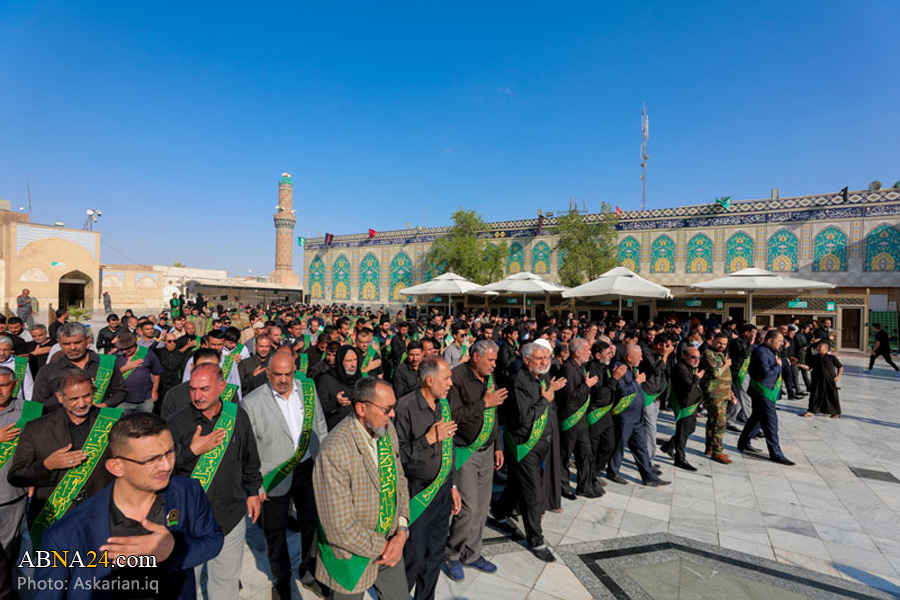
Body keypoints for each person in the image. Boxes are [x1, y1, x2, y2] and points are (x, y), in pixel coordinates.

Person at [35, 412, 224, 599]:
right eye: (151, 459)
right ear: (116, 467)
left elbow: (213, 540)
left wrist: (173, 551)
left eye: (170, 452)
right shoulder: (65, 535)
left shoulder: (188, 491)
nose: (166, 466)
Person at [168, 363, 263, 599]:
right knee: (187, 585)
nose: (197, 396)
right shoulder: (176, 423)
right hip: (190, 521)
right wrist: (191, 451)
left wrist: (253, 492)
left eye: (204, 389)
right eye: (192, 389)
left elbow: (250, 458)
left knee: (226, 583)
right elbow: (161, 469)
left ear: (222, 387)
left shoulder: (237, 415)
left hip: (230, 515)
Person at [313, 377, 410, 599]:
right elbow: (339, 528)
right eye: (387, 409)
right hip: (352, 558)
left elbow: (400, 482)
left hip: (391, 543)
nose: (393, 414)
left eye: (393, 407)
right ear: (361, 409)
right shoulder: (334, 450)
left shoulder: (386, 430)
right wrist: (385, 546)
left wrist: (401, 532)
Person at [243, 350, 329, 599]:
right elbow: (249, 452)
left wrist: (324, 466)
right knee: (275, 532)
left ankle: (309, 571)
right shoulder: (251, 403)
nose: (283, 380)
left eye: (288, 374)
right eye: (277, 374)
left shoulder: (308, 391)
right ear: (267, 373)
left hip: (307, 470)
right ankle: (281, 581)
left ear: (295, 372)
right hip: (273, 476)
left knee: (311, 524)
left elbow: (320, 427)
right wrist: (257, 486)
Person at [7, 371, 118, 539]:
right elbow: (16, 476)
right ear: (60, 397)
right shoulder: (35, 428)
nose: (82, 403)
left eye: (87, 396)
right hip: (54, 518)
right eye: (74, 399)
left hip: (101, 513)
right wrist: (47, 465)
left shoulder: (114, 422)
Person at [491, 341, 566, 563]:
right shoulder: (519, 381)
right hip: (525, 444)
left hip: (543, 442)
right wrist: (546, 398)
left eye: (546, 357)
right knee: (533, 492)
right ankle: (536, 540)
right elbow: (525, 418)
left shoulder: (542, 376)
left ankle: (500, 509)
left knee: (517, 483)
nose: (544, 362)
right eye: (539, 358)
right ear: (526, 360)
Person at [395, 358, 462, 600]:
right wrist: (427, 440)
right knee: (414, 555)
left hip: (442, 491)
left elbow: (449, 448)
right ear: (429, 380)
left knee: (434, 553)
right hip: (418, 493)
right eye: (446, 378)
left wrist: (452, 484)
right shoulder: (405, 408)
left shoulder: (443, 405)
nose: (451, 383)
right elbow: (395, 455)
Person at [442, 340, 506, 580]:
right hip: (464, 451)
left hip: (487, 450)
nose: (494, 365)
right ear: (476, 357)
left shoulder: (489, 377)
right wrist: (484, 403)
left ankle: (472, 553)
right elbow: (454, 415)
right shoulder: (457, 378)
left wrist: (497, 445)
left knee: (481, 507)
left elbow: (493, 412)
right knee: (467, 508)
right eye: (490, 360)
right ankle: (452, 554)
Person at [606, 345, 669, 486]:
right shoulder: (619, 368)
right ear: (629, 357)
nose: (641, 359)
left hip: (637, 417)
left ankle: (650, 477)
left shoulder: (631, 368)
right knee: (619, 446)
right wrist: (637, 382)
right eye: (639, 356)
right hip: (625, 417)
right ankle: (612, 471)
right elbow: (623, 391)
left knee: (641, 448)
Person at [31, 322, 127, 412]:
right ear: (59, 343)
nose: (73, 348)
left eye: (77, 342)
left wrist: (103, 405)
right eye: (66, 344)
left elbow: (120, 392)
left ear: (87, 339)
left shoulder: (106, 363)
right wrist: (66, 395)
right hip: (62, 422)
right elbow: (36, 406)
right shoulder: (48, 371)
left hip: (99, 420)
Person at [0, 365, 37, 580]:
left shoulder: (29, 411)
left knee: (8, 551)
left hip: (12, 495)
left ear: (14, 385)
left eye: (4, 385)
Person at [737, 330, 795, 465]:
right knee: (771, 423)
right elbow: (765, 373)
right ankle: (776, 453)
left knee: (756, 419)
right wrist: (779, 366)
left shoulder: (771, 351)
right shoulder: (761, 352)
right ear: (769, 340)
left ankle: (743, 442)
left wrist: (782, 362)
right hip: (762, 392)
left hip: (766, 392)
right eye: (779, 341)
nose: (782, 344)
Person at [557, 338, 600, 499]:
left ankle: (585, 487)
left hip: (581, 419)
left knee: (585, 453)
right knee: (565, 455)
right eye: (586, 350)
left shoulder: (580, 366)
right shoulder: (568, 368)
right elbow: (570, 398)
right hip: (570, 418)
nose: (589, 353)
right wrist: (586, 386)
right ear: (576, 353)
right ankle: (563, 486)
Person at [660, 346, 705, 471]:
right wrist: (697, 377)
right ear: (685, 356)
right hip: (684, 405)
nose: (697, 360)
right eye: (693, 357)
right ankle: (679, 458)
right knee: (683, 431)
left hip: (691, 405)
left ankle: (669, 446)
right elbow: (689, 387)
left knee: (690, 429)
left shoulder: (689, 367)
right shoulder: (680, 368)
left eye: (699, 358)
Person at [587, 341, 621, 492]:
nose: (611, 356)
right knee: (593, 449)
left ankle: (595, 472)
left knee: (609, 445)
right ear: (598, 355)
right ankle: (590, 478)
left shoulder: (606, 368)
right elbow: (600, 395)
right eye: (608, 354)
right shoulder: (592, 369)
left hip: (606, 414)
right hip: (596, 414)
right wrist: (614, 379)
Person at [700, 332, 736, 464]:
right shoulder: (708, 353)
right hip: (714, 394)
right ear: (713, 341)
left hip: (723, 393)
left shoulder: (721, 355)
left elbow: (725, 376)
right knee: (719, 423)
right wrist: (727, 364)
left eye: (725, 344)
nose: (722, 346)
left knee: (713, 421)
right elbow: (716, 373)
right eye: (719, 343)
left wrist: (730, 393)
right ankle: (717, 451)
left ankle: (710, 447)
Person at [114, 331, 162, 415]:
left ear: (134, 345)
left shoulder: (148, 353)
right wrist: (126, 367)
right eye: (122, 349)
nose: (124, 351)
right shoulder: (116, 356)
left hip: (145, 399)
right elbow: (110, 375)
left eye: (127, 349)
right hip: (122, 400)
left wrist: (155, 391)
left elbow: (156, 373)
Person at [315, 345, 361, 430]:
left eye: (355, 360)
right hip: (336, 430)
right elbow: (319, 410)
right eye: (349, 361)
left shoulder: (361, 379)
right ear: (340, 361)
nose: (353, 365)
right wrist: (335, 402)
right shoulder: (326, 379)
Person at [800, 341, 843, 418]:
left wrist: (838, 376)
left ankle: (835, 413)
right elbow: (809, 367)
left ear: (826, 348)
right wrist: (800, 364)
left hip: (829, 380)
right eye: (817, 347)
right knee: (814, 395)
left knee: (832, 395)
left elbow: (840, 367)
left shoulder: (831, 358)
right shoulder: (814, 357)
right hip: (817, 379)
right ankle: (811, 411)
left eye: (820, 347)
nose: (818, 348)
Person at [727, 324, 756, 431]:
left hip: (745, 372)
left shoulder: (745, 342)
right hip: (738, 372)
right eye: (753, 333)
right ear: (746, 333)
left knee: (739, 398)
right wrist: (751, 343)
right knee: (745, 397)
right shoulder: (737, 342)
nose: (755, 336)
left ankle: (728, 420)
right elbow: (745, 355)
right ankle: (752, 424)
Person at [0, 336, 33, 400]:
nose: (2, 353)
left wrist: (29, 405)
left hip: (16, 403)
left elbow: (29, 388)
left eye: (6, 350)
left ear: (11, 350)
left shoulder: (21, 363)